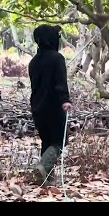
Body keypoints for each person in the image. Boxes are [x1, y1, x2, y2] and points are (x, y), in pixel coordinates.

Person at [28, 24, 72, 185]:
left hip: (37, 107)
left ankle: (46, 179)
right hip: (54, 107)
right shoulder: (57, 58)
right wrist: (65, 100)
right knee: (60, 141)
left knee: (47, 142)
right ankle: (43, 166)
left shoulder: (33, 61)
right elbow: (60, 83)